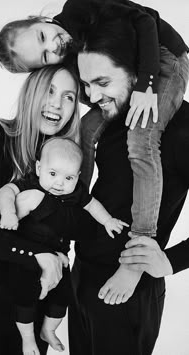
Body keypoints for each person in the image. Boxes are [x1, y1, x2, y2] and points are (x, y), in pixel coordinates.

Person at [0, 0, 189, 295]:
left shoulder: (77, 8)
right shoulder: (74, 57)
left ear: (39, 19)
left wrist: (146, 85)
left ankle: (138, 251)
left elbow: (146, 19)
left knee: (142, 140)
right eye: (46, 57)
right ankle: (75, 201)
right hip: (131, 73)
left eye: (42, 37)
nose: (54, 49)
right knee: (85, 130)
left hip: (165, 60)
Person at [65, 20, 189, 355]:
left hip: (129, 293)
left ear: (138, 71)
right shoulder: (108, 120)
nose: (91, 96)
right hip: (81, 277)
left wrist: (172, 261)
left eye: (102, 82)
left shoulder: (181, 127)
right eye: (87, 84)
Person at [0, 63, 87, 355]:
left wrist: (45, 205)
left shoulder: (68, 161)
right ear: (31, 93)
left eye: (69, 96)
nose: (57, 104)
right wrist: (33, 254)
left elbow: (78, 226)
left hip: (31, 306)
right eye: (49, 91)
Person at [0, 136, 128, 354]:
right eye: (52, 174)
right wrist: (8, 212)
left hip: (60, 257)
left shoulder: (76, 192)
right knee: (25, 297)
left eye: (68, 177)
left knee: (63, 297)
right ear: (39, 168)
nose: (59, 183)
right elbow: (5, 192)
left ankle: (48, 330)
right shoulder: (29, 182)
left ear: (77, 177)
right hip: (27, 255)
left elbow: (92, 204)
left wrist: (107, 220)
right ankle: (28, 338)